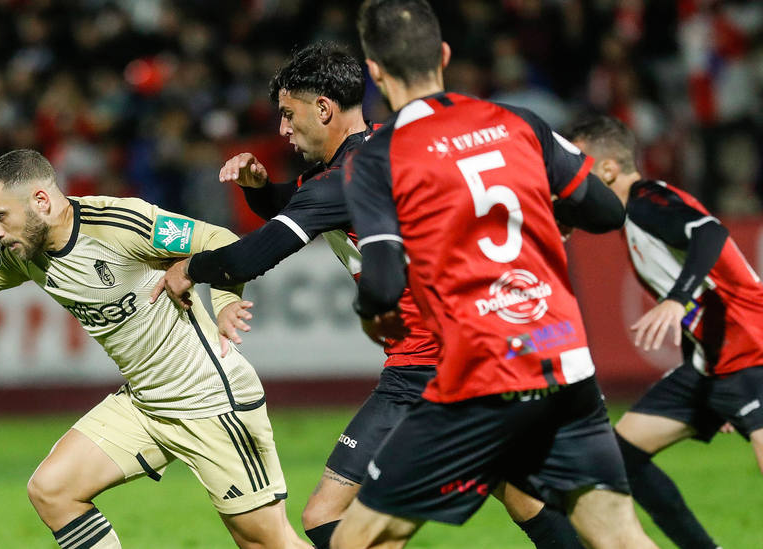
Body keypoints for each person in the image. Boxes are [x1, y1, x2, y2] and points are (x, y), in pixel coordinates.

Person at [152, 42, 583, 549]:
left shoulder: (340, 181)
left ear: (324, 108)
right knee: (521, 495)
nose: (283, 130)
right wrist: (259, 188)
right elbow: (299, 205)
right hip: (476, 349)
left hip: (425, 368)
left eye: (289, 115)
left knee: (327, 518)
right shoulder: (380, 150)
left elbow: (251, 258)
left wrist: (189, 268)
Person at [332, 1, 659, 548]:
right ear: (443, 55)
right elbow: (607, 211)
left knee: (354, 541)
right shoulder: (518, 122)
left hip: (481, 373)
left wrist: (372, 315)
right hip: (564, 362)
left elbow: (385, 282)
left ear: (375, 71)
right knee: (622, 537)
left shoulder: (378, 157)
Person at [0, 149, 310, 549]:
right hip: (147, 405)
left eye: (0, 217)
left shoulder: (120, 225)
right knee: (53, 491)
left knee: (266, 541)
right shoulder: (21, 253)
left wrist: (224, 301)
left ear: (41, 201)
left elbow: (216, 237)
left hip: (211, 400)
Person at [569, 114, 763, 549]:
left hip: (754, 352)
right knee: (622, 457)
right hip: (712, 366)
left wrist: (677, 298)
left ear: (607, 170)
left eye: (577, 166)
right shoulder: (631, 217)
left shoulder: (646, 200)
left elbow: (709, 233)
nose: (570, 180)